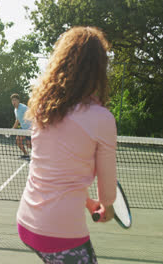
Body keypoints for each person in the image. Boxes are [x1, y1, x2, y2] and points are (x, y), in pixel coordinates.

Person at [16, 27, 117, 264]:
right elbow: (108, 189)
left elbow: (59, 173)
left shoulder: (43, 110)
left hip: (27, 223)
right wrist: (107, 207)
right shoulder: (101, 118)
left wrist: (89, 202)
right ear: (98, 70)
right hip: (60, 235)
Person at [11, 93, 32, 159]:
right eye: (12, 100)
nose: (13, 102)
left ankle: (40, 154)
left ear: (18, 101)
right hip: (23, 129)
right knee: (18, 141)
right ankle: (26, 154)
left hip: (30, 129)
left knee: (29, 145)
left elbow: (32, 115)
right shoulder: (15, 110)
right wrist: (11, 130)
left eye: (15, 100)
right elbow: (17, 121)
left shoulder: (23, 108)